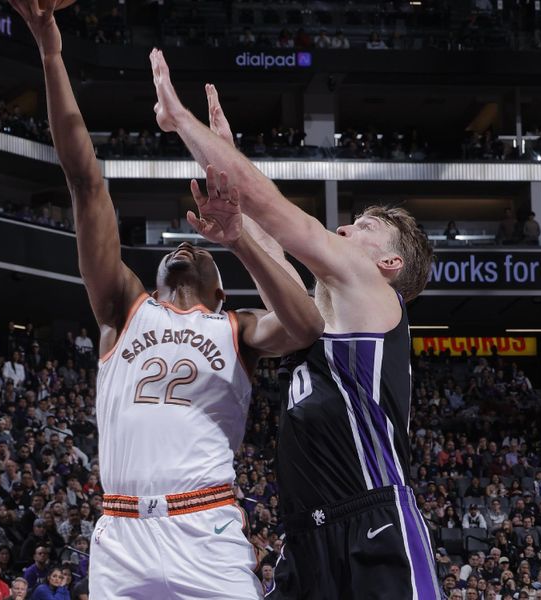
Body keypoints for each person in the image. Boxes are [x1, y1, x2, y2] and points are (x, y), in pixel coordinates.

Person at [9, 2, 324, 598]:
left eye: (200, 249)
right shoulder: (123, 310)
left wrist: (240, 236)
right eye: (178, 245)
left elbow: (306, 325)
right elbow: (84, 180)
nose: (184, 243)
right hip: (122, 532)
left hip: (204, 529)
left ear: (219, 288)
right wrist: (51, 52)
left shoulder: (237, 327)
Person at [150, 49, 439, 599]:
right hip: (306, 538)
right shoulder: (324, 317)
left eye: (365, 227)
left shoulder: (372, 290)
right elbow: (269, 255)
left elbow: (279, 216)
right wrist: (229, 189)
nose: (345, 229)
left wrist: (182, 124)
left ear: (390, 264)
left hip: (374, 521)